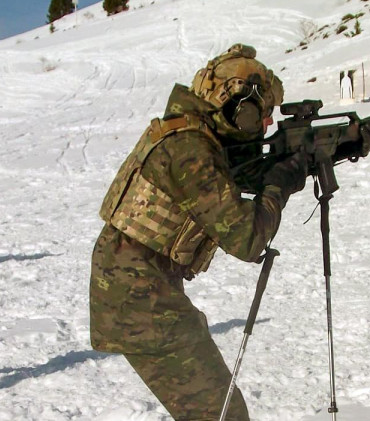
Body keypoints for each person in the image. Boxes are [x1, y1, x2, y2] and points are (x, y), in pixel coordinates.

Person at [90, 44, 310, 420]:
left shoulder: (192, 137)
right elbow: (246, 238)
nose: (267, 124)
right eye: (264, 114)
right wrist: (280, 183)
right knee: (221, 415)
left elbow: (231, 180)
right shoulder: (191, 151)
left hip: (139, 291)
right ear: (241, 109)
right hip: (141, 302)